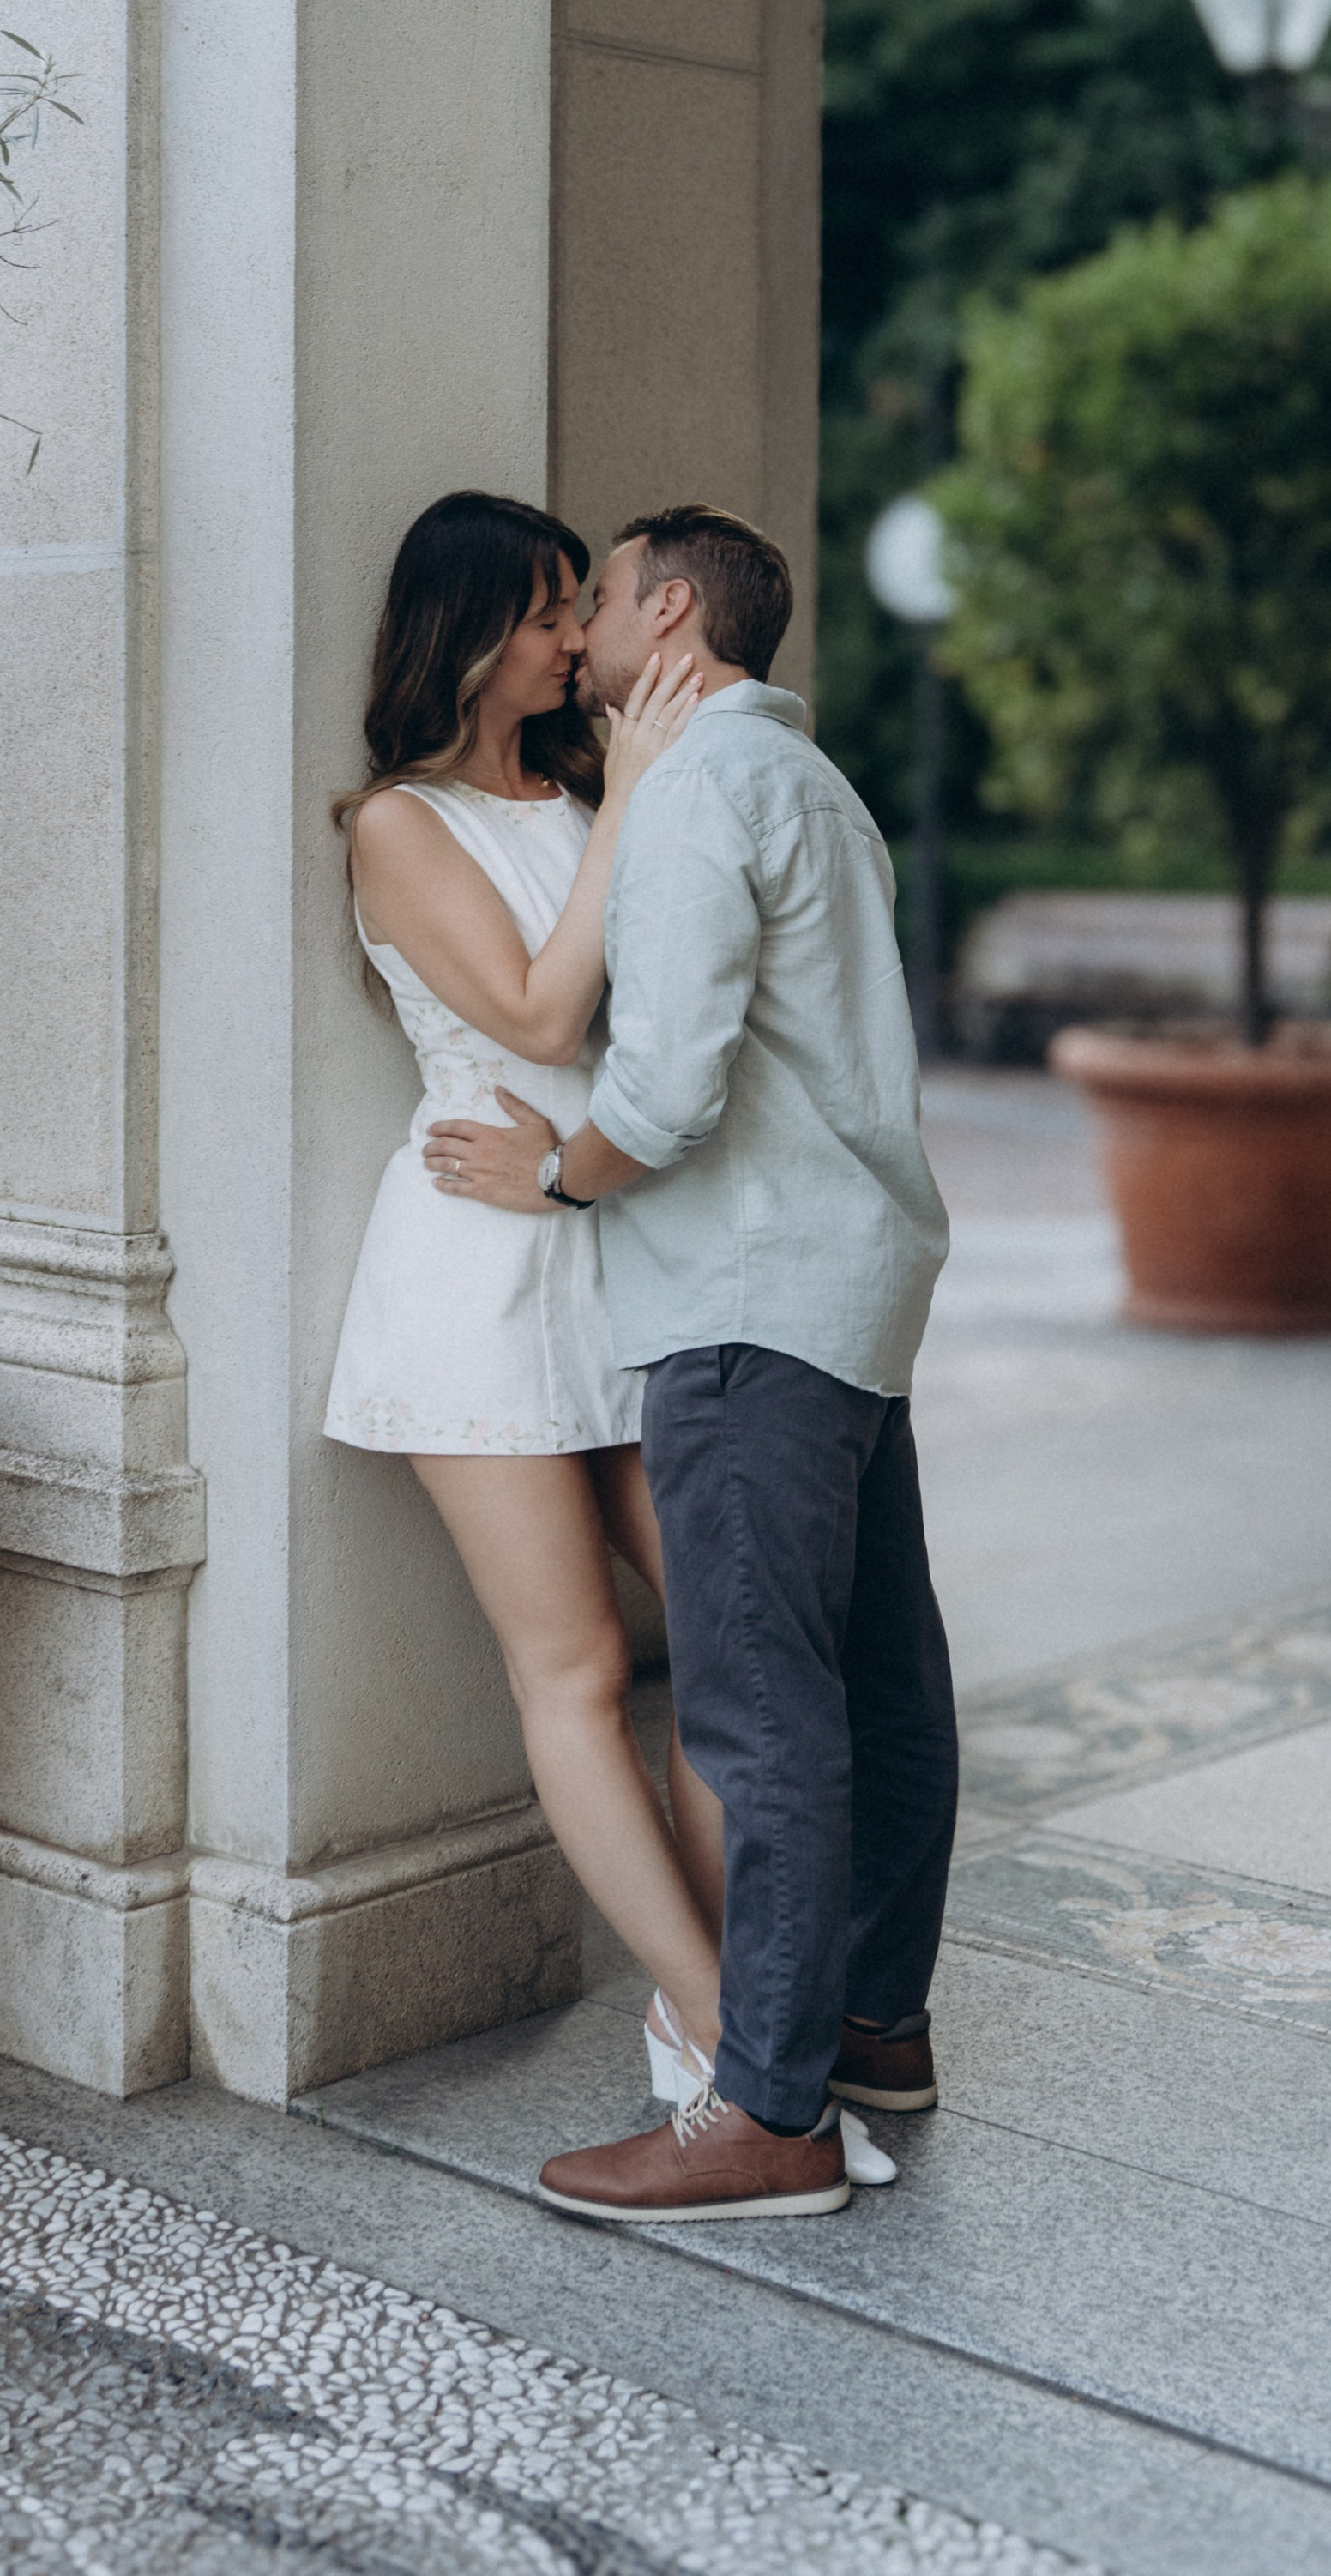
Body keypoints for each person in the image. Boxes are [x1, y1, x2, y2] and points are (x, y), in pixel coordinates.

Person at [426, 504, 955, 2224]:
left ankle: (767, 2117)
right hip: (850, 1287)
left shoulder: (702, 789)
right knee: (878, 1683)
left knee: (756, 1712)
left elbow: (664, 1082)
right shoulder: (810, 781)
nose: (570, 632)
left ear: (667, 612)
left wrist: (556, 1173)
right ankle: (871, 2032)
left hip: (741, 1301)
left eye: (591, 599)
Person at [324, 488, 731, 2107]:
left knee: (720, 1635)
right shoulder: (399, 823)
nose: (582, 640)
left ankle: (761, 1996)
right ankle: (701, 2019)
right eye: (556, 612)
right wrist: (630, 799)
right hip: (473, 1270)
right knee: (570, 1668)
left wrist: (626, 792)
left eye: (585, 609)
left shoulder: (575, 790)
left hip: (617, 1247)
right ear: (477, 627)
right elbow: (542, 1019)